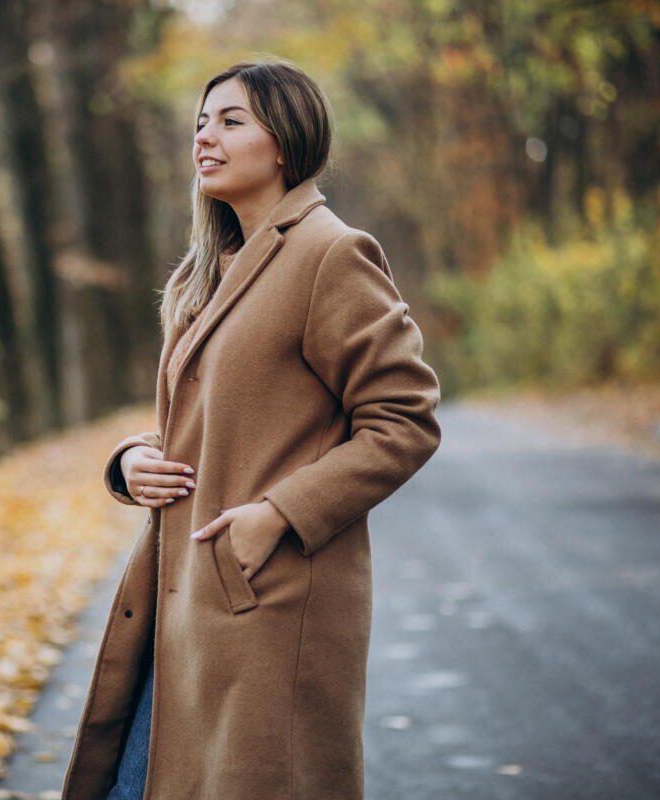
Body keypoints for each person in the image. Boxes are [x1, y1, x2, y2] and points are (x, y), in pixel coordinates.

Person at [62, 60, 442, 800]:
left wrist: (280, 514)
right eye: (201, 122)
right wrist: (130, 462)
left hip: (266, 609)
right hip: (181, 611)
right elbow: (211, 418)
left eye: (231, 121)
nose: (205, 137)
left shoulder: (331, 253)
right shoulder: (217, 270)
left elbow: (405, 418)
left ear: (285, 144)